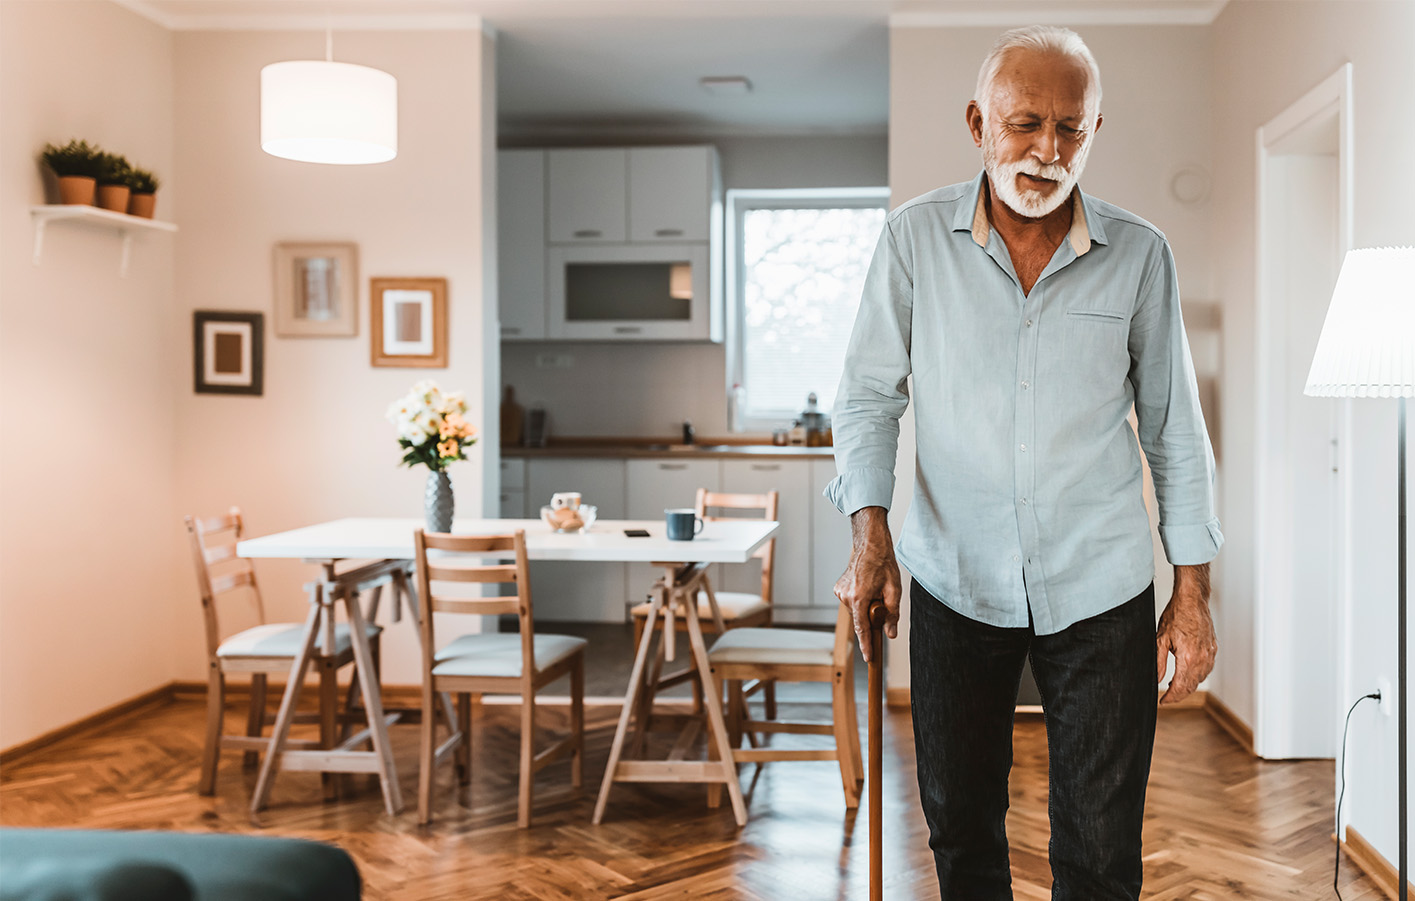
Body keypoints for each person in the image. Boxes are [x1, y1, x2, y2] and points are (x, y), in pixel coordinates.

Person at [828, 25, 1223, 901]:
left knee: (1100, 842)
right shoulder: (911, 242)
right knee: (960, 829)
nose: (1047, 151)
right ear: (978, 122)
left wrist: (1191, 591)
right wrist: (870, 536)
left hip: (1099, 583)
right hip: (951, 575)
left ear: (1092, 132)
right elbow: (866, 398)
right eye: (1024, 124)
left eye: (1070, 129)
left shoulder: (1140, 255)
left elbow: (1174, 432)